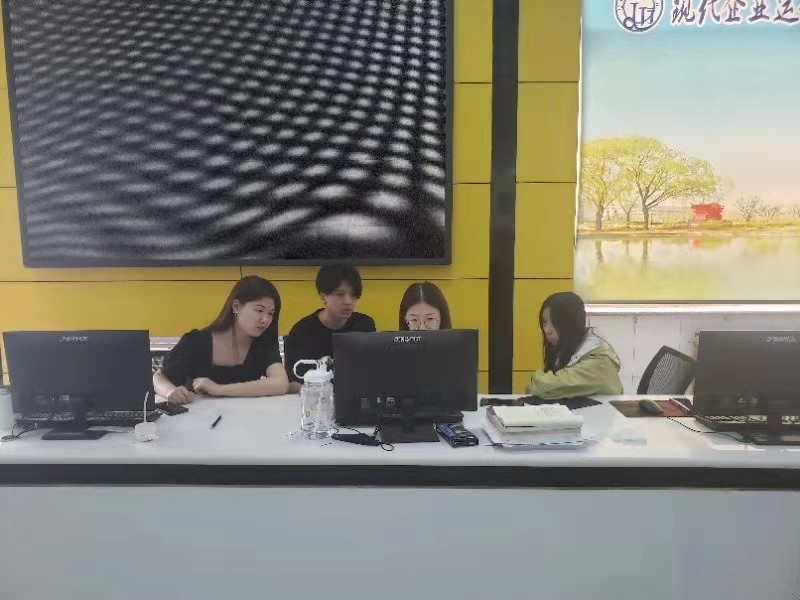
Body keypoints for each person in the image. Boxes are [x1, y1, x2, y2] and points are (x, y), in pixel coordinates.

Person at [153, 276, 289, 403]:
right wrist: (170, 391)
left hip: (244, 416)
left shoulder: (263, 342)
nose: (265, 319)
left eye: (270, 313)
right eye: (259, 310)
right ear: (236, 307)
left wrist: (218, 389)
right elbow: (159, 376)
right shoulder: (197, 341)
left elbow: (280, 383)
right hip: (199, 416)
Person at [285, 265, 376, 394]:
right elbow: (291, 382)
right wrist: (315, 393)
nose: (348, 301)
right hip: (315, 399)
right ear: (323, 296)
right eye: (340, 294)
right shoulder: (302, 331)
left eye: (353, 295)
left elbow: (372, 370)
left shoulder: (364, 325)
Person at [526, 292, 622, 398]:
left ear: (571, 324)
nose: (547, 330)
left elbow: (543, 388)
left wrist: (536, 378)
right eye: (545, 322)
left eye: (555, 323)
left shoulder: (599, 361)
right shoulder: (568, 348)